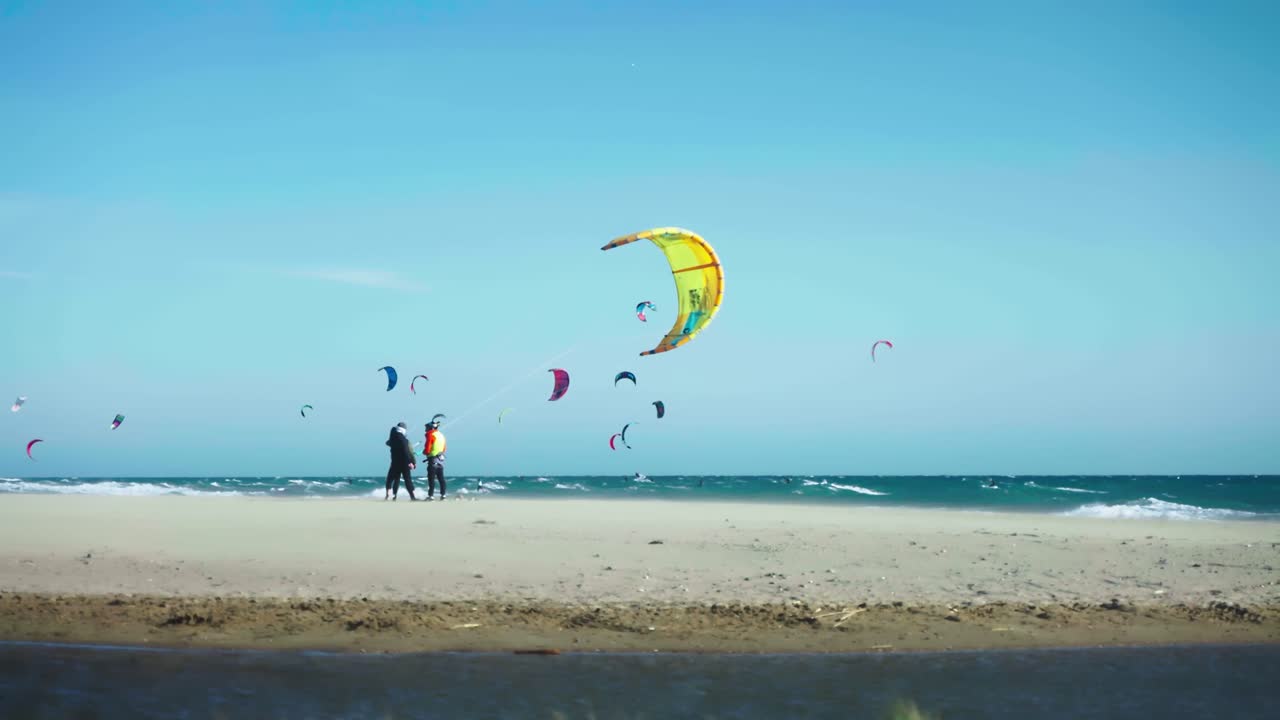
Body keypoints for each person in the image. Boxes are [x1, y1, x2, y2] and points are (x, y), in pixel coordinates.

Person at [385, 422, 418, 501]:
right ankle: (413, 497)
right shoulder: (404, 440)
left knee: (391, 479)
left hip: (395, 462)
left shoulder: (392, 438)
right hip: (404, 462)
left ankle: (389, 496)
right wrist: (411, 462)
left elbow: (387, 443)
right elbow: (406, 452)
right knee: (407, 480)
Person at [424, 418, 447, 500]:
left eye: (426, 428)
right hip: (441, 460)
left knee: (431, 479)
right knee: (441, 479)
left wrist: (425, 452)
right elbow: (444, 448)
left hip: (432, 460)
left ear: (431, 428)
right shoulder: (441, 435)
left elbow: (427, 449)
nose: (425, 430)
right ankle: (443, 495)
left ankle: (431, 496)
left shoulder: (430, 435)